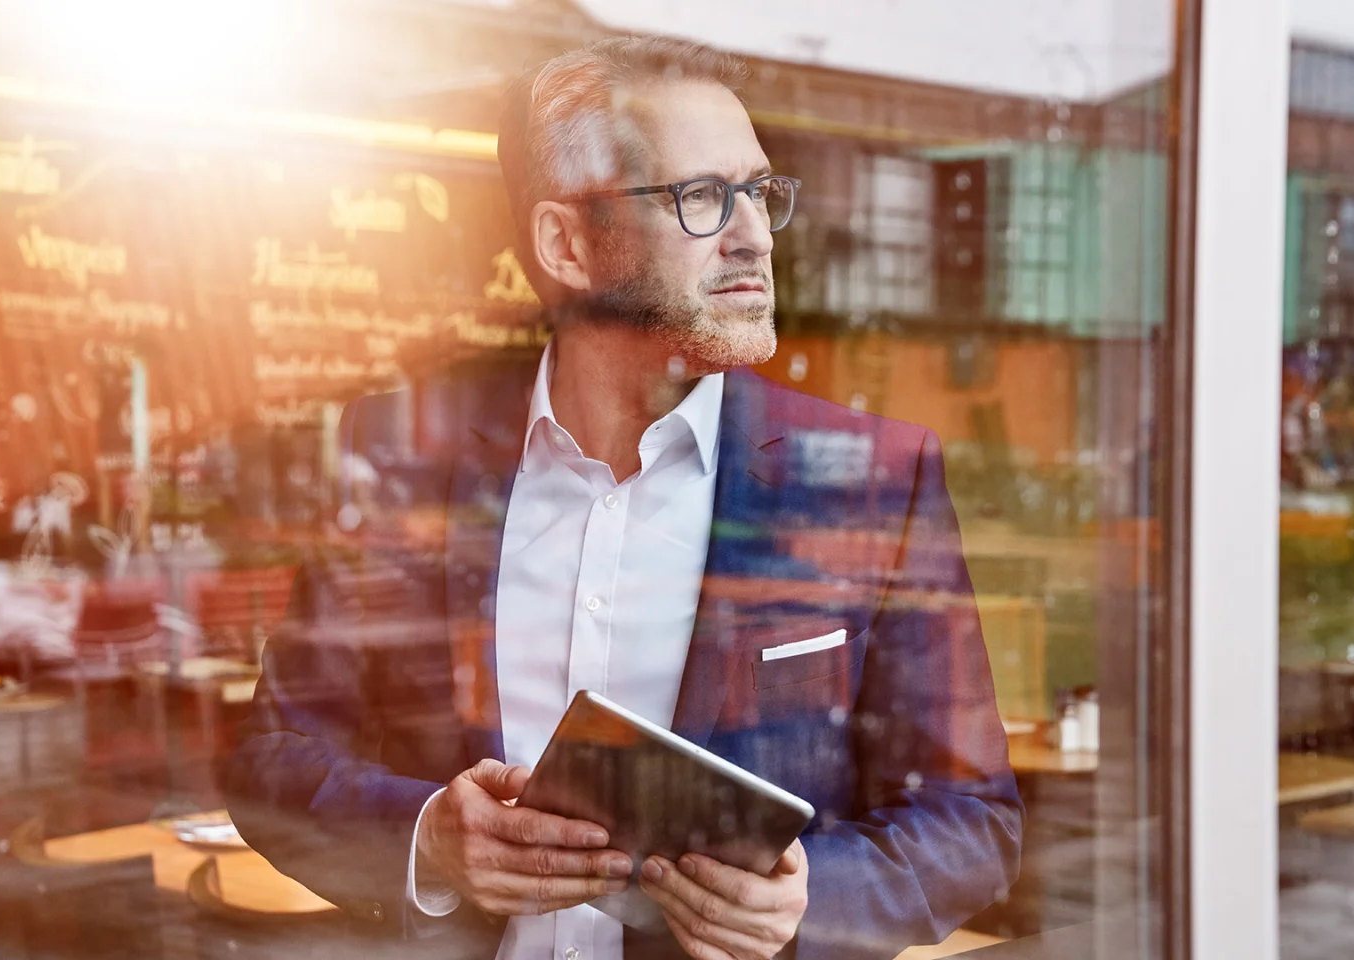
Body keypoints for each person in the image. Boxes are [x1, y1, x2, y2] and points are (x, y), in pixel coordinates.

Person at [225, 35, 1022, 960]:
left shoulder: (873, 479)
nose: (754, 235)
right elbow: (270, 760)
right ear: (567, 244)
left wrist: (812, 907)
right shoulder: (405, 457)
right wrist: (428, 842)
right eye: (700, 198)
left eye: (758, 191)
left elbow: (973, 822)